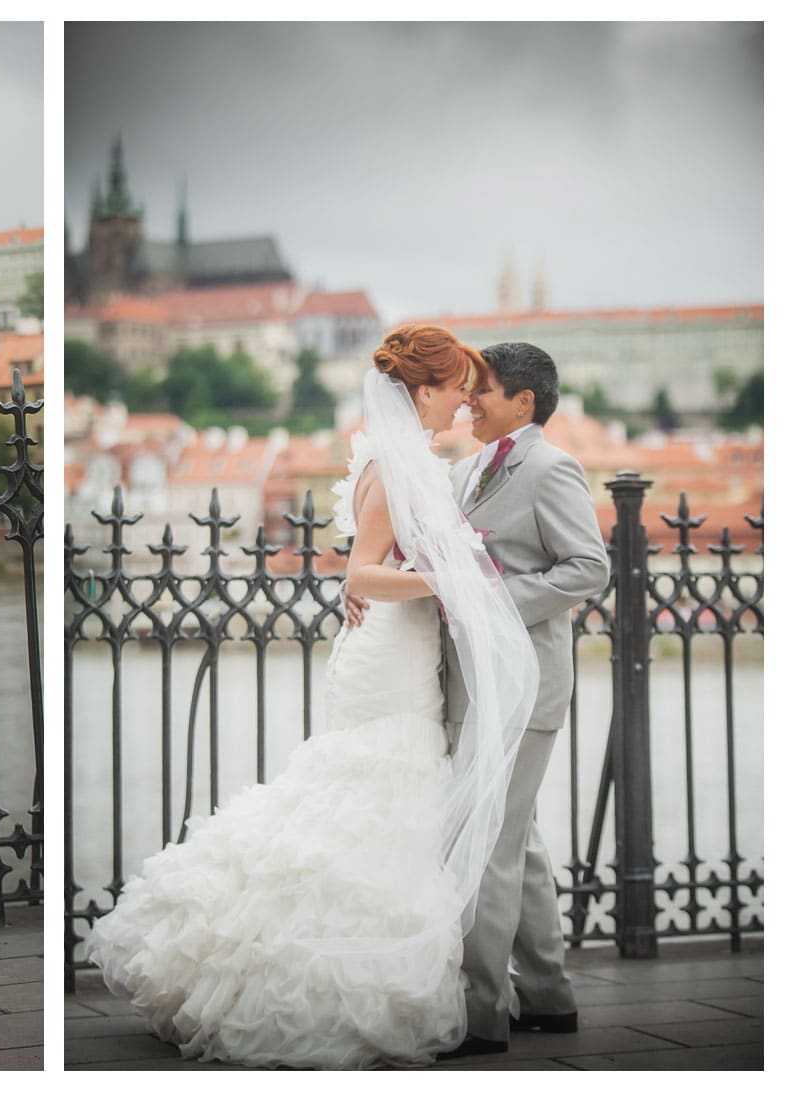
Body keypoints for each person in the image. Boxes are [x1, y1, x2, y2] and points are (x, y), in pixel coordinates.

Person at [84, 324, 538, 1068]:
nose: (464, 400)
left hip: (394, 647)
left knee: (366, 796)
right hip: (389, 655)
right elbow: (360, 574)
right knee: (369, 791)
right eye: (457, 385)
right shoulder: (395, 466)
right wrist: (454, 581)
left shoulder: (399, 458)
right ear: (423, 390)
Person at [442, 342, 607, 1055]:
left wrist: (494, 601)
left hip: (525, 684)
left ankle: (481, 1013)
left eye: (482, 391)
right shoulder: (474, 466)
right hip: (479, 682)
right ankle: (547, 998)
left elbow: (588, 568)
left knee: (491, 845)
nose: (468, 402)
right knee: (522, 840)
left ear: (524, 403)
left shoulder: (549, 466)